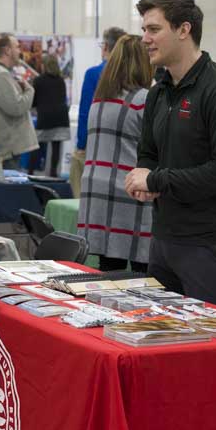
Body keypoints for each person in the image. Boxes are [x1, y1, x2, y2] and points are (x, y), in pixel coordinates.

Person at [125, 0, 216, 309]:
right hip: (165, 242)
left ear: (184, 30)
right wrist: (145, 178)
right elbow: (148, 154)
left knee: (209, 353)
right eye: (144, 30)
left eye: (154, 29)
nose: (145, 39)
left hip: (211, 248)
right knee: (163, 349)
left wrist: (156, 182)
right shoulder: (159, 92)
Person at [78, 34, 154, 272]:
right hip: (129, 193)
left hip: (96, 192)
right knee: (143, 273)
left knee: (109, 272)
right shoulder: (144, 100)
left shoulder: (99, 101)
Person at [71, 26, 127, 197]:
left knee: (82, 192)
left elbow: (86, 112)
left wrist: (81, 144)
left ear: (105, 47)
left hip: (94, 143)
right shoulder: (130, 75)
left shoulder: (94, 74)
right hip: (121, 145)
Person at [0, 32, 38, 170]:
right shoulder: (0, 74)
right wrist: (30, 90)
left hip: (7, 150)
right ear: (7, 50)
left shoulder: (0, 73)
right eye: (17, 47)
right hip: (8, 152)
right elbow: (17, 107)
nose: (20, 51)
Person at [30, 54, 70, 176]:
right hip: (61, 117)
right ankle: (53, 174)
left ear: (44, 65)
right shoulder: (61, 80)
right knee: (56, 147)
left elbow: (33, 101)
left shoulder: (38, 80)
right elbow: (63, 98)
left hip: (45, 118)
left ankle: (30, 172)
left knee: (36, 146)